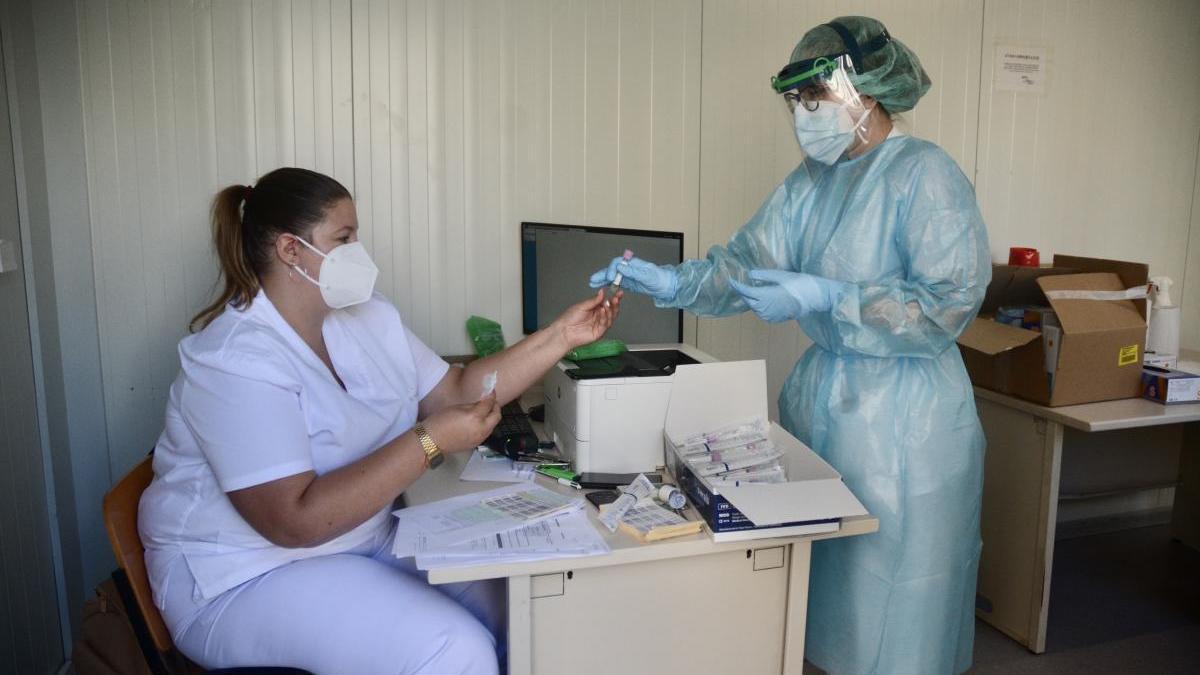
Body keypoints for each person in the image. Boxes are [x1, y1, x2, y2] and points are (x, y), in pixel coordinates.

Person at [590, 16, 990, 675]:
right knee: (820, 595)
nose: (805, 114)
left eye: (816, 97)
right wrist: (670, 281)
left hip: (909, 422)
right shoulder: (810, 183)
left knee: (898, 610)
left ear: (865, 91)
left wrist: (826, 296)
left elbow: (946, 304)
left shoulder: (926, 175)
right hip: (825, 407)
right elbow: (741, 268)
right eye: (796, 101)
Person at [139, 167, 620, 673]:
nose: (359, 252)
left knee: (527, 613)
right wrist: (430, 441)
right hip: (242, 574)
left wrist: (562, 336)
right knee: (455, 651)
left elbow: (454, 391)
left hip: (360, 536)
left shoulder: (366, 317)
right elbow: (294, 521)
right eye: (343, 238)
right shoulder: (233, 361)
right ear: (290, 250)